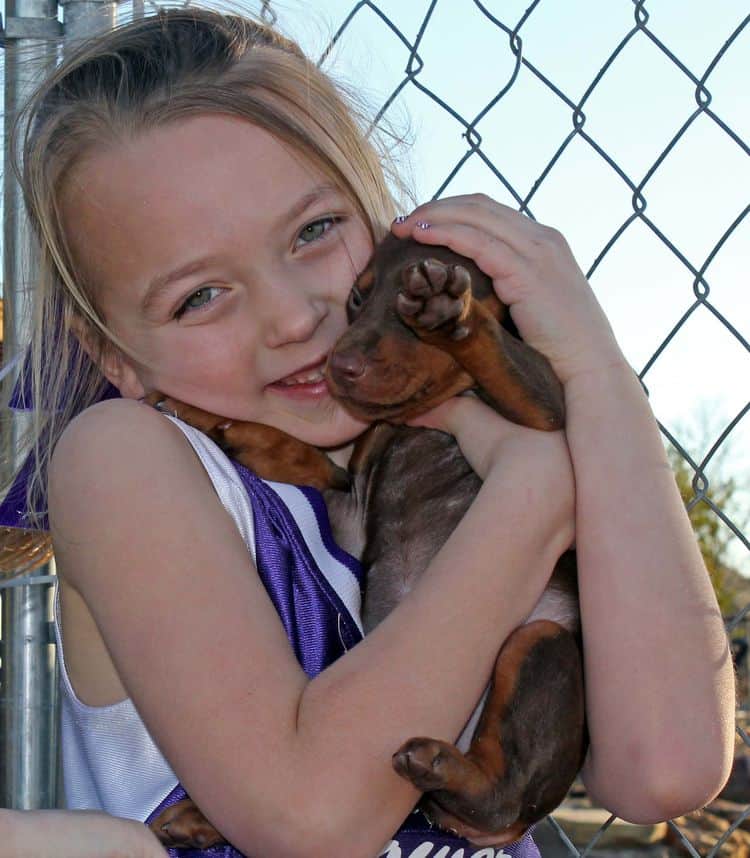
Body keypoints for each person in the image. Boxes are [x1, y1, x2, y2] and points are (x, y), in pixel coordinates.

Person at [0, 7, 735, 857]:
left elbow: (666, 768)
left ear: (386, 219)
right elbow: (312, 818)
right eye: (199, 296)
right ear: (115, 355)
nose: (293, 316)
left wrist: (597, 375)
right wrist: (534, 489)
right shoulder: (126, 460)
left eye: (314, 233)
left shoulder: (443, 456)